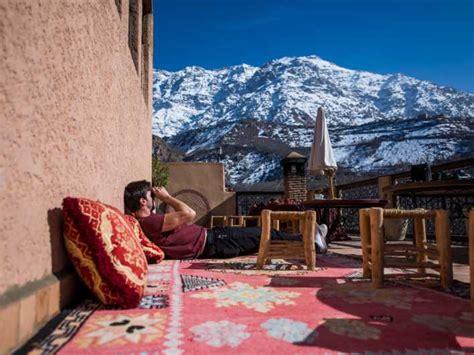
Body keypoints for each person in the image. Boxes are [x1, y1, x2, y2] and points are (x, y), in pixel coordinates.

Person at [123, 180, 328, 260]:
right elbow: (189, 213)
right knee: (266, 234)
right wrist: (167, 197)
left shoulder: (148, 223)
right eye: (151, 197)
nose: (154, 198)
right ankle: (311, 240)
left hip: (213, 241)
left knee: (263, 244)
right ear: (143, 201)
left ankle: (310, 243)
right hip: (215, 241)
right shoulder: (148, 223)